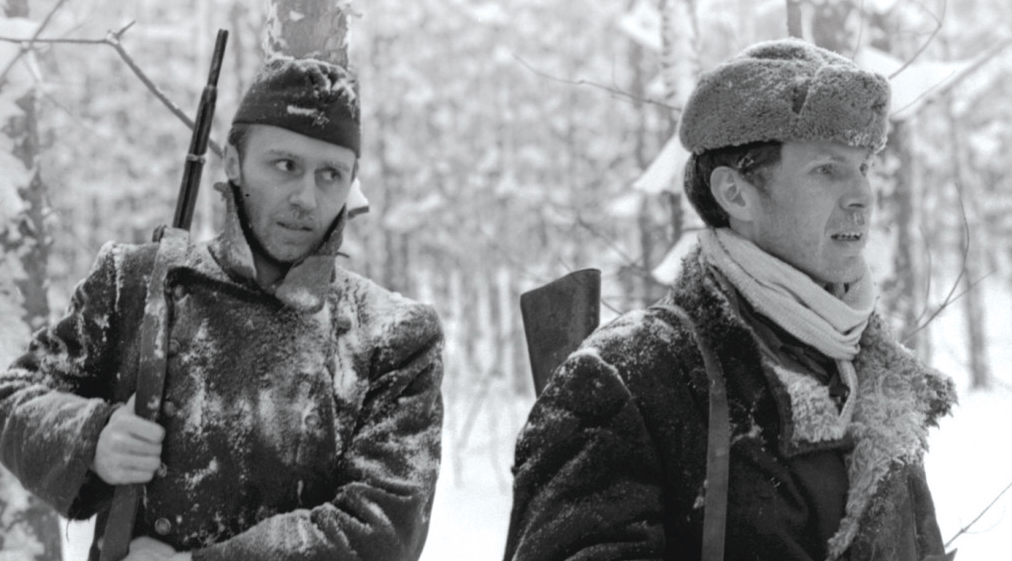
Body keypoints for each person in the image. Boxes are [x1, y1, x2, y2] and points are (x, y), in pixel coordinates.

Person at [504, 38, 956, 561]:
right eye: (827, 170)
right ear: (735, 193)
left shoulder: (874, 381)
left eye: (864, 168)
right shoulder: (627, 380)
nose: (862, 196)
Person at [0, 57, 443, 561]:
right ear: (233, 161)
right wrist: (92, 438)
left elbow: (382, 531)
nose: (306, 197)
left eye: (330, 175)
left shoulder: (394, 336)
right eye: (285, 165)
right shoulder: (134, 282)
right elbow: (14, 400)